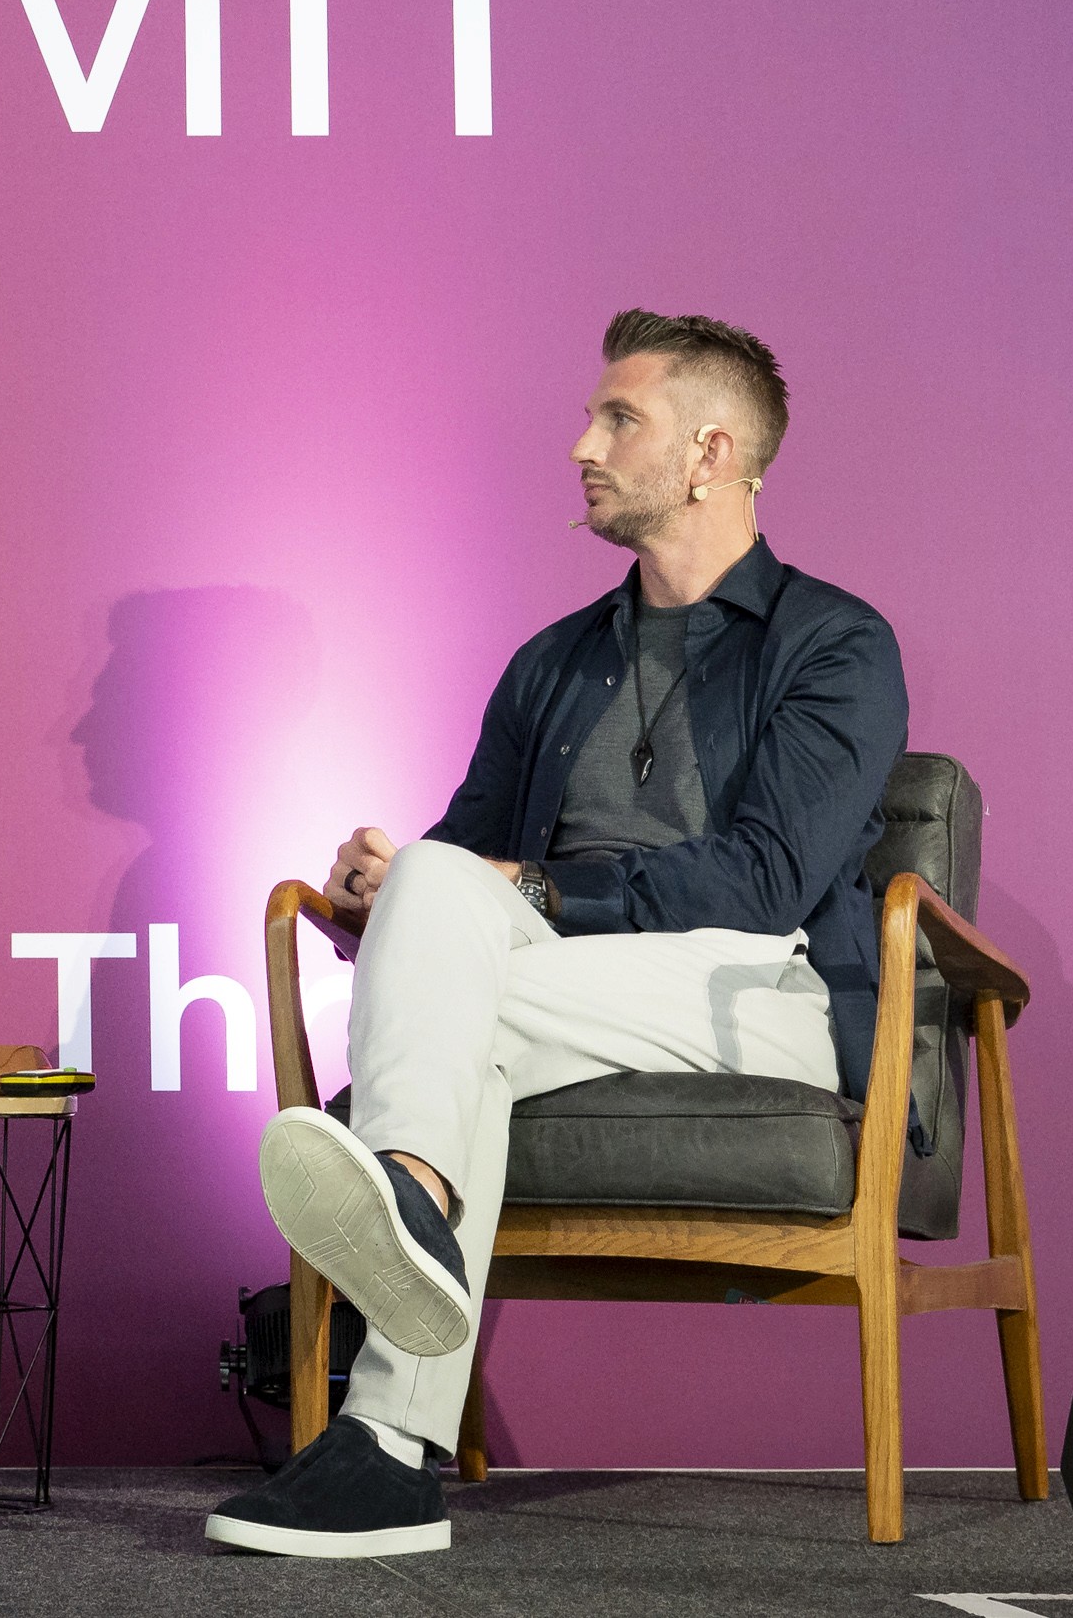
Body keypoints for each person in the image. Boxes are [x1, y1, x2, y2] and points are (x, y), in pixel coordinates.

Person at [206, 310, 908, 1559]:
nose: (582, 442)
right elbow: (460, 865)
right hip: (567, 988)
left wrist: (504, 897)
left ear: (709, 452)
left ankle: (392, 1319)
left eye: (616, 419)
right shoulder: (554, 663)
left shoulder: (833, 645)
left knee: (458, 982)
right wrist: (391, 891)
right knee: (437, 924)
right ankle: (389, 1416)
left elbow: (762, 884)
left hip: (757, 990)